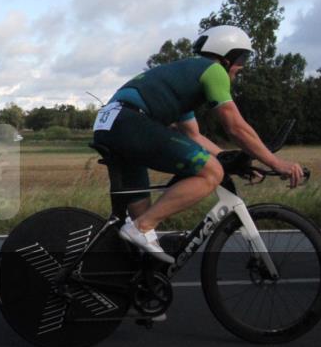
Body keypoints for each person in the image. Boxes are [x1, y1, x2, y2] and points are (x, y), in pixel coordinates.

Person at [92, 25, 305, 263]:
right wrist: (276, 163)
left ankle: (137, 277)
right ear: (226, 57)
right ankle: (141, 227)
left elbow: (194, 135)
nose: (242, 66)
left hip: (112, 123)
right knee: (210, 172)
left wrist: (231, 160)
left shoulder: (184, 79)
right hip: (129, 123)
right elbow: (236, 126)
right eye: (242, 58)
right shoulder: (214, 71)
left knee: (143, 237)